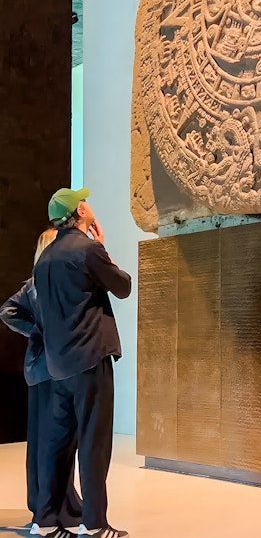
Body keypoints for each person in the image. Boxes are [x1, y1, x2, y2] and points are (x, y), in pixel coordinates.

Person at [32, 188, 132, 538]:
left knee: (59, 444)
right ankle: (94, 523)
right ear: (79, 213)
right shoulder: (88, 250)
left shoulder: (44, 260)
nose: (89, 206)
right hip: (89, 359)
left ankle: (45, 522)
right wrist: (102, 247)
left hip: (58, 364)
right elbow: (122, 286)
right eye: (84, 203)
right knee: (94, 442)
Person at [0, 229, 83, 533]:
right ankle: (53, 507)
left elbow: (8, 311)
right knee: (54, 441)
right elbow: (7, 312)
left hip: (42, 372)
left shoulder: (37, 285)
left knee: (48, 442)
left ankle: (51, 503)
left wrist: (35, 329)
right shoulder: (41, 286)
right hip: (51, 372)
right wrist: (39, 330)